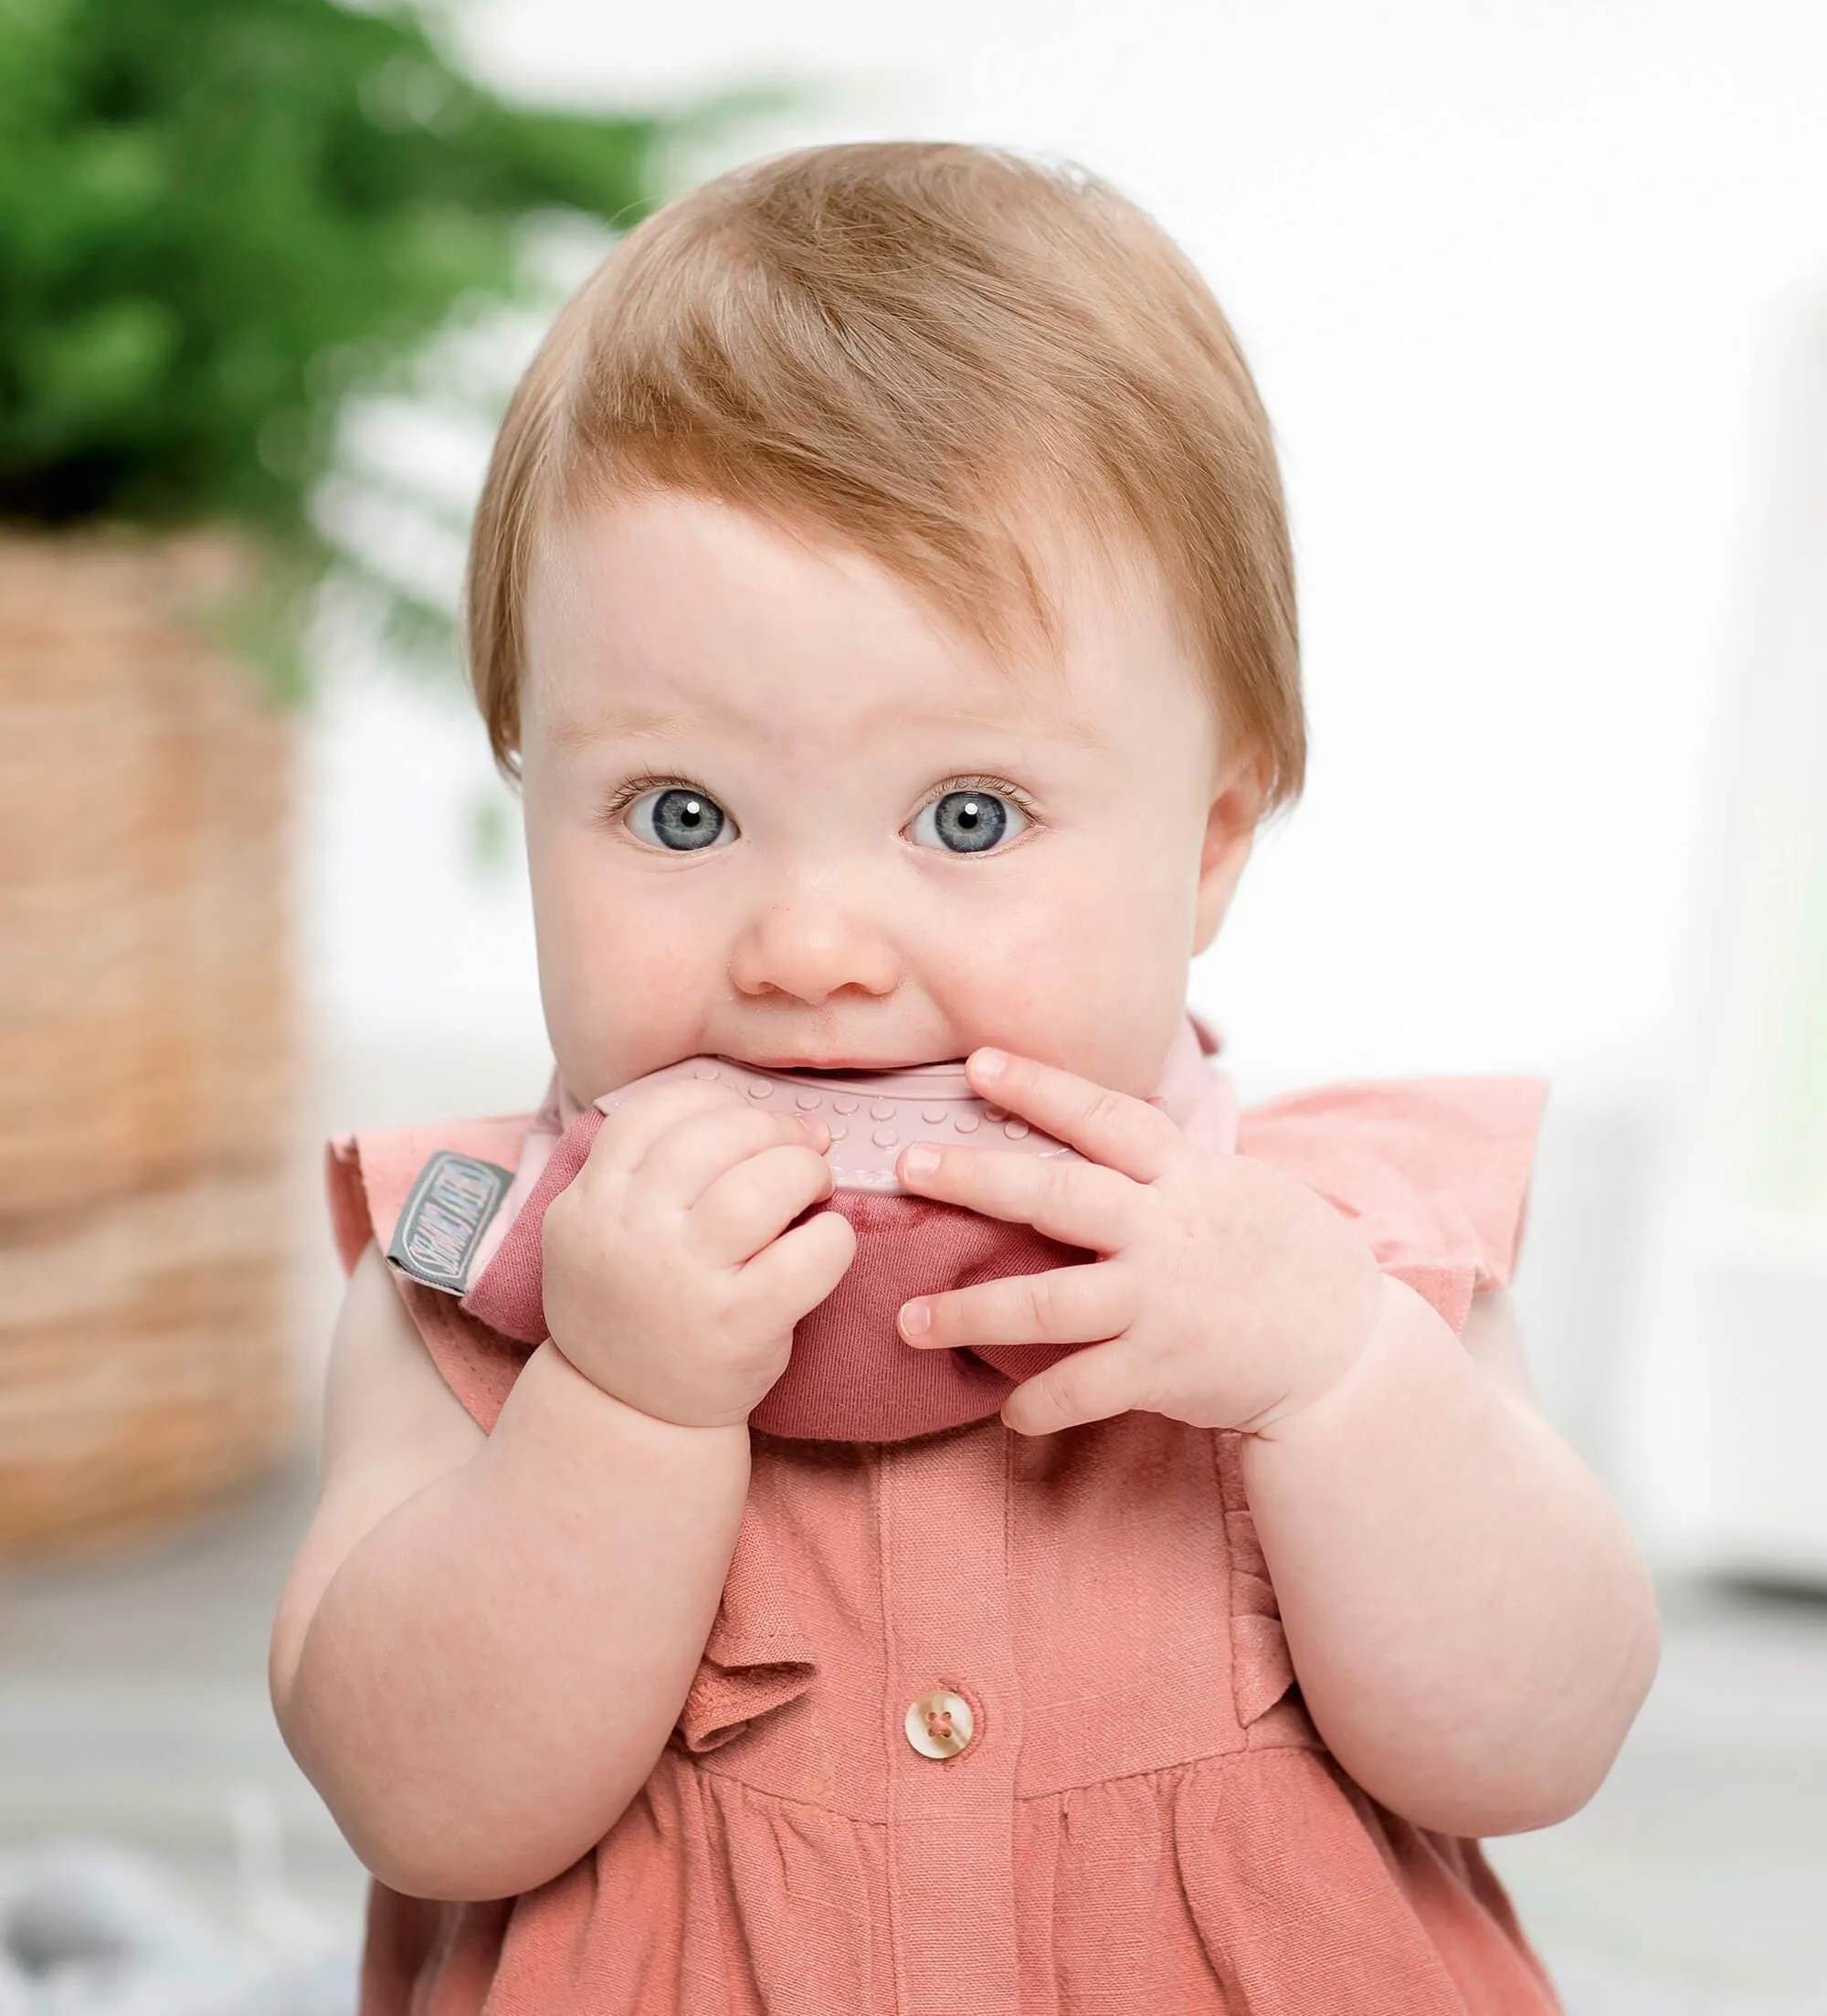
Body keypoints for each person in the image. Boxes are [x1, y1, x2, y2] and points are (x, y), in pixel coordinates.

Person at [269, 142, 1659, 2013]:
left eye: (968, 814)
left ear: (1209, 843)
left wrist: (1334, 1382)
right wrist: (620, 1407)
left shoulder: (1339, 1257)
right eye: (679, 814)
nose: (810, 946)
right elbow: (424, 1801)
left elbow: (1533, 1741)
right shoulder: (492, 1281)